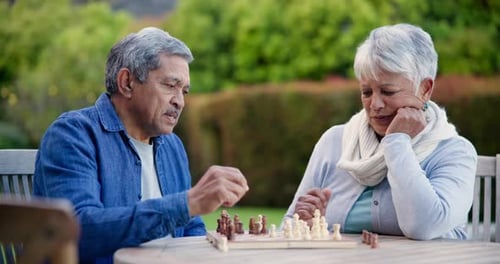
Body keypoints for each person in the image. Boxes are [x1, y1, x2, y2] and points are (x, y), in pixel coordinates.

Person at [33, 27, 249, 263]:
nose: (180, 101)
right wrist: (188, 203)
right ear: (127, 83)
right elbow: (79, 231)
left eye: (184, 91)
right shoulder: (73, 134)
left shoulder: (173, 146)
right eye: (170, 85)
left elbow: (190, 227)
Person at [283, 23, 477, 240]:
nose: (375, 104)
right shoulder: (334, 141)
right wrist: (306, 223)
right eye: (366, 92)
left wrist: (397, 142)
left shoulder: (455, 152)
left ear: (424, 89)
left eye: (388, 91)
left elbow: (424, 227)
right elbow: (290, 222)